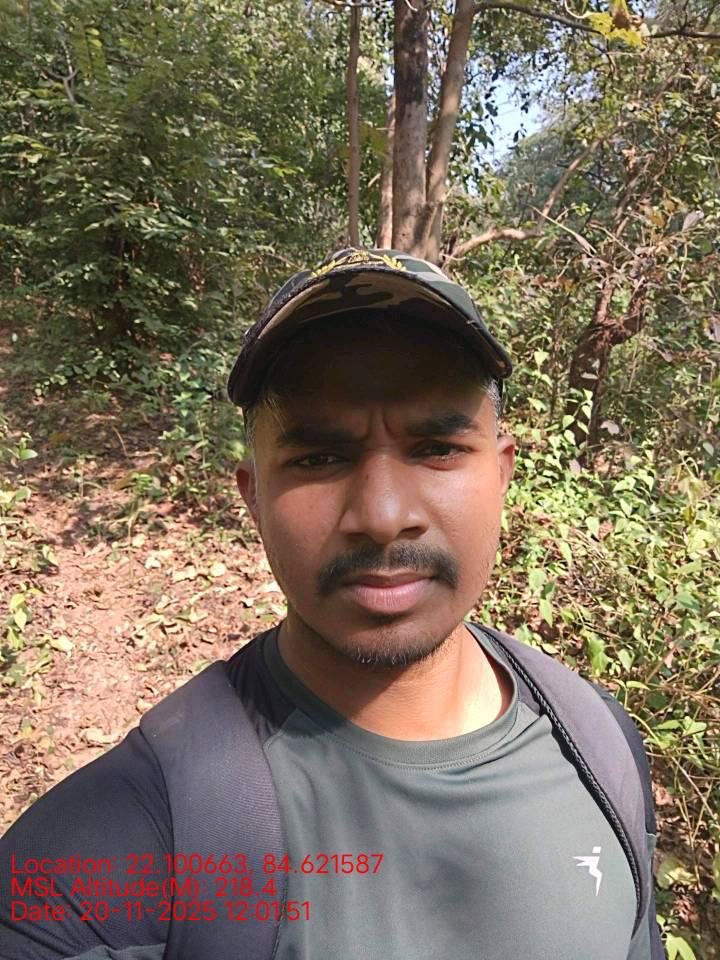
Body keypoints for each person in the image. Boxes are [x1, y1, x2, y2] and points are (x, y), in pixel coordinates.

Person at [0, 248, 661, 960]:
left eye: (436, 448)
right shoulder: (134, 837)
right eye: (319, 458)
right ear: (254, 497)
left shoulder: (600, 748)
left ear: (501, 475)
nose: (382, 517)